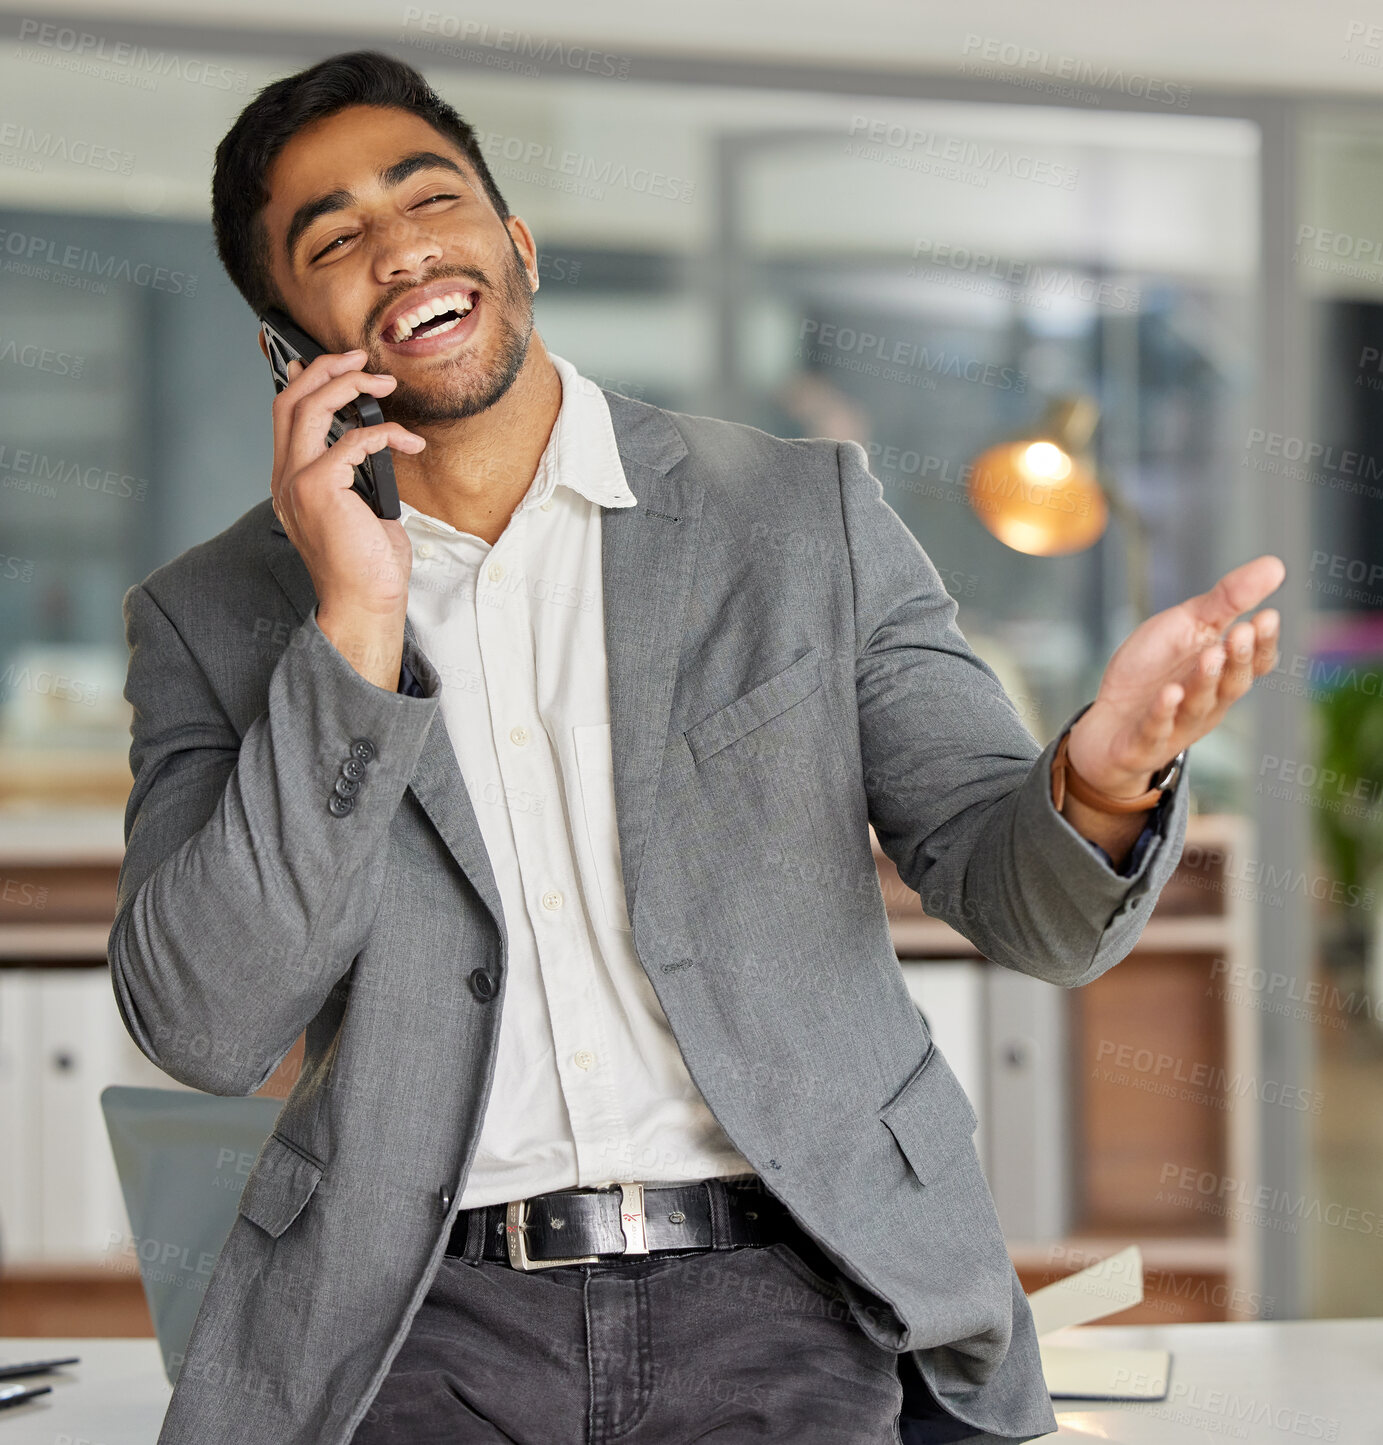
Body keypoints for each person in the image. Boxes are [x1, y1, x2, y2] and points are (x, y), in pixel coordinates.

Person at [108, 49, 1284, 1445]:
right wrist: (353, 626)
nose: (401, 245)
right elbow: (202, 1021)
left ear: (516, 245)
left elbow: (1015, 893)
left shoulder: (803, 516)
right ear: (286, 345)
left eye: (431, 198)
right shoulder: (211, 617)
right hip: (420, 1322)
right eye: (336, 238)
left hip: (788, 1290)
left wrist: (1098, 777)